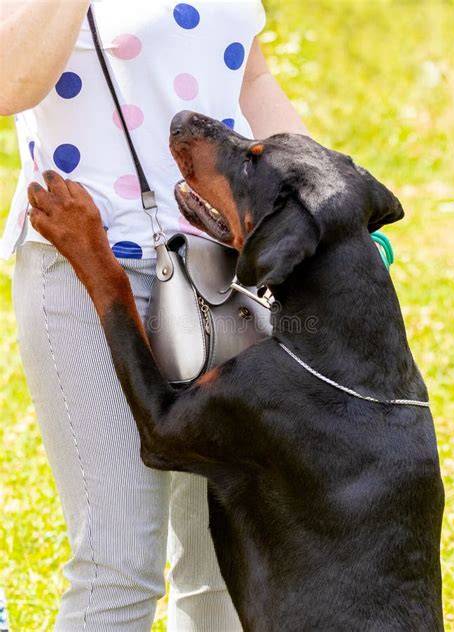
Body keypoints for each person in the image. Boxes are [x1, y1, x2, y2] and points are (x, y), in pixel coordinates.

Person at [0, 1, 309, 630]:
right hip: (87, 265)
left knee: (224, 564)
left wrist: (312, 194)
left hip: (226, 268)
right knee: (118, 567)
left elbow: (249, 78)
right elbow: (9, 81)